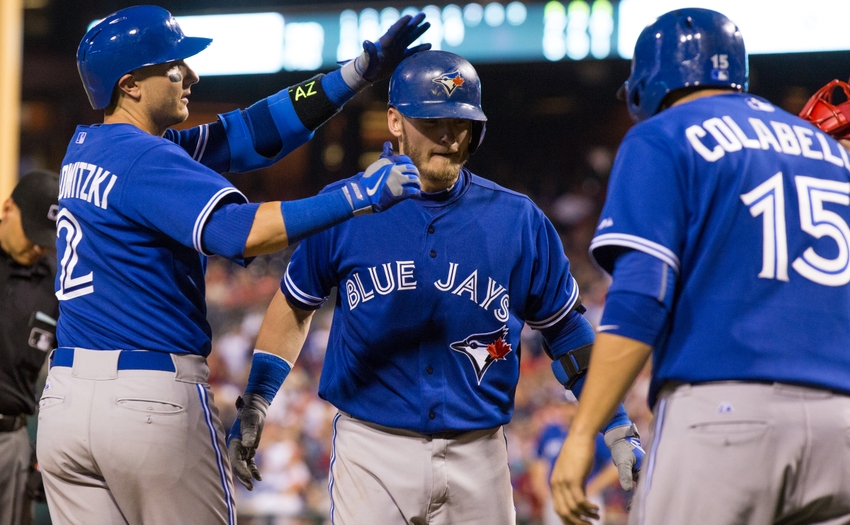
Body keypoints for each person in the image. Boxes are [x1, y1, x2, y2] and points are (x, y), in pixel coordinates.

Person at [36, 5, 427, 525]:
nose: (191, 75)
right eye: (174, 66)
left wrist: (355, 74)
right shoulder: (146, 160)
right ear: (130, 85)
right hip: (146, 401)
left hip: (65, 404)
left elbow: (250, 133)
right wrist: (358, 193)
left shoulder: (88, 146)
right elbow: (237, 233)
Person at [235, 50, 643, 524]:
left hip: (479, 451)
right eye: (431, 120)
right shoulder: (343, 208)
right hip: (372, 449)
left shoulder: (517, 220)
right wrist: (259, 400)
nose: (448, 135)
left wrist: (615, 423)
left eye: (459, 121)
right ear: (395, 121)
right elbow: (296, 304)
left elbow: (567, 334)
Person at [551, 8, 850, 525]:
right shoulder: (827, 150)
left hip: (726, 415)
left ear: (649, 82)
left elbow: (642, 296)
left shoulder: (663, 135)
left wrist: (583, 436)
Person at [0, 170, 59, 525]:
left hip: (11, 440)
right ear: (8, 207)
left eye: (46, 239)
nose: (39, 246)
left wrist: (45, 455)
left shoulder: (56, 282)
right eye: (33, 232)